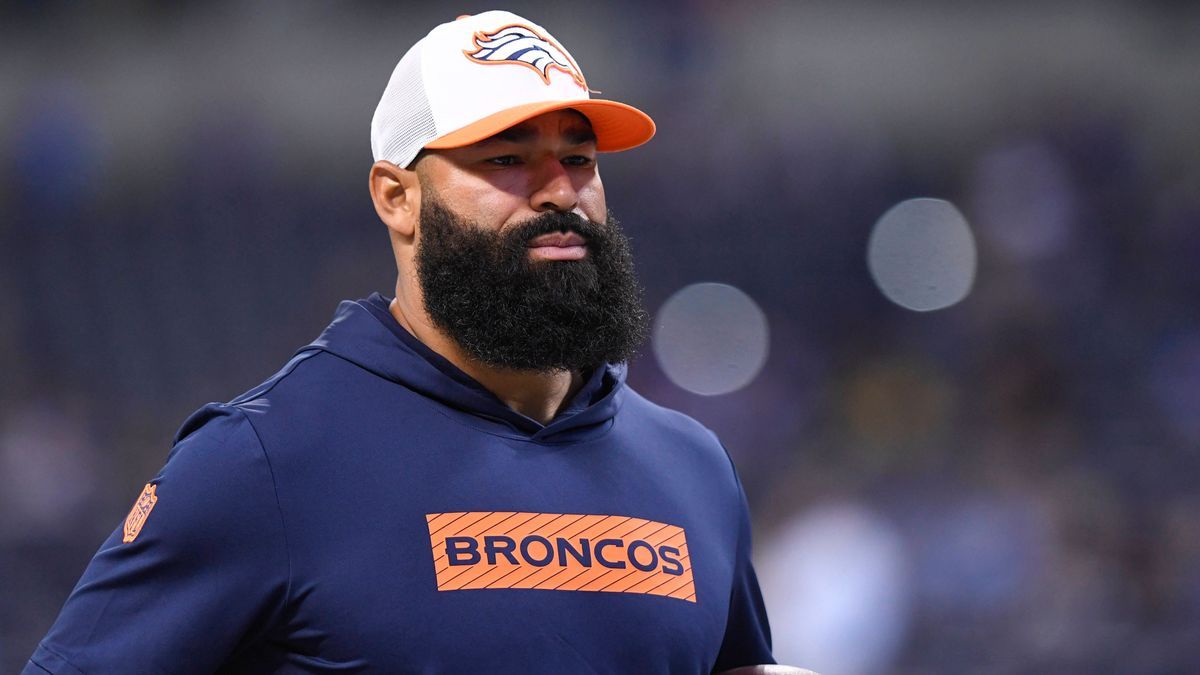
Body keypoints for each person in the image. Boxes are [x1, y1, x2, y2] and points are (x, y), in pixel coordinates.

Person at [24, 11, 801, 674]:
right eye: (506, 158)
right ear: (398, 198)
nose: (560, 190)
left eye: (578, 158)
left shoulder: (694, 468)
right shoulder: (264, 462)